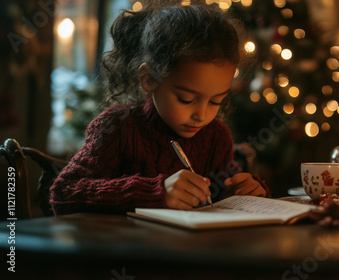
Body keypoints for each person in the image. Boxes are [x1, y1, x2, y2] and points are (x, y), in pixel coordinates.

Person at [49, 1, 268, 215]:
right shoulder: (118, 128)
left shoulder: (216, 137)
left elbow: (222, 195)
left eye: (215, 101)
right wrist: (155, 192)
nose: (201, 115)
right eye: (185, 99)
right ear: (149, 79)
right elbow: (64, 192)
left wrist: (242, 192)